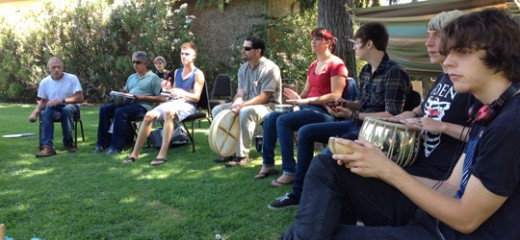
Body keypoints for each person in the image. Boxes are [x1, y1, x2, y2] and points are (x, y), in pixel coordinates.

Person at [282, 8, 520, 239]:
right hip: (432, 218)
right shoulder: (490, 113)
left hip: (445, 232)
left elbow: (467, 219)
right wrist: (377, 167)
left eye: (462, 52)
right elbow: (448, 187)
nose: (447, 63)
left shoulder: (510, 125)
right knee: (329, 166)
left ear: (499, 55)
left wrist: (388, 169)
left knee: (298, 234)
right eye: (448, 53)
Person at [266, 22, 412, 207]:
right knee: (306, 132)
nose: (353, 47)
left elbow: (391, 116)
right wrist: (345, 104)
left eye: (357, 42)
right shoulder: (367, 70)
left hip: (375, 133)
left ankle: (324, 199)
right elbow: (361, 102)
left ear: (369, 44)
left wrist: (352, 114)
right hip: (356, 124)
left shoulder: (394, 73)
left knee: (325, 159)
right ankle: (298, 194)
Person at [255, 28, 347, 186]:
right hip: (308, 108)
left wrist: (306, 102)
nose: (313, 41)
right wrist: (298, 98)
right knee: (271, 118)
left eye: (318, 39)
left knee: (283, 121)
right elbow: (306, 92)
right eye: (312, 38)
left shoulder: (336, 64)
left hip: (325, 112)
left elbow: (336, 95)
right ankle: (268, 164)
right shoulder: (314, 65)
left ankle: (290, 171)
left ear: (328, 42)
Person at [124, 42, 205, 165]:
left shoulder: (198, 74)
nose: (184, 56)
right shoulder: (177, 72)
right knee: (148, 116)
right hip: (174, 102)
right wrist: (166, 89)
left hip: (188, 105)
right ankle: (134, 154)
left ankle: (162, 154)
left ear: (194, 56)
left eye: (187, 54)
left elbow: (196, 98)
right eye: (182, 54)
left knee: (169, 113)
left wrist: (180, 92)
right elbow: (171, 92)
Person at [212, 36, 282, 167]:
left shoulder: (270, 68)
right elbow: (240, 93)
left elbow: (264, 97)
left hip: (269, 106)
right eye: (243, 47)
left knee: (245, 111)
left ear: (258, 51)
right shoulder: (243, 68)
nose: (242, 51)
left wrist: (241, 105)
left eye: (247, 48)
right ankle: (227, 151)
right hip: (248, 104)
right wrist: (235, 104)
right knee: (218, 110)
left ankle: (242, 156)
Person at [93, 51, 163, 155]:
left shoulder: (154, 78)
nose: (135, 65)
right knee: (104, 110)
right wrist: (124, 93)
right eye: (134, 62)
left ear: (146, 64)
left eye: (138, 62)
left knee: (120, 112)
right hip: (129, 104)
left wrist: (141, 97)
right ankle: (102, 144)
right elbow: (128, 91)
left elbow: (162, 98)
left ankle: (116, 147)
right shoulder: (132, 77)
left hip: (143, 106)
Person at [28, 57, 84, 157]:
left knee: (67, 110)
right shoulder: (45, 82)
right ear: (49, 69)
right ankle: (47, 147)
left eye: (58, 67)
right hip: (53, 108)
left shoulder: (72, 78)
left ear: (62, 68)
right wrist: (35, 112)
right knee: (46, 113)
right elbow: (43, 101)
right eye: (53, 67)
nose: (56, 69)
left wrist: (62, 101)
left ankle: (68, 143)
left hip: (71, 107)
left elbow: (80, 98)